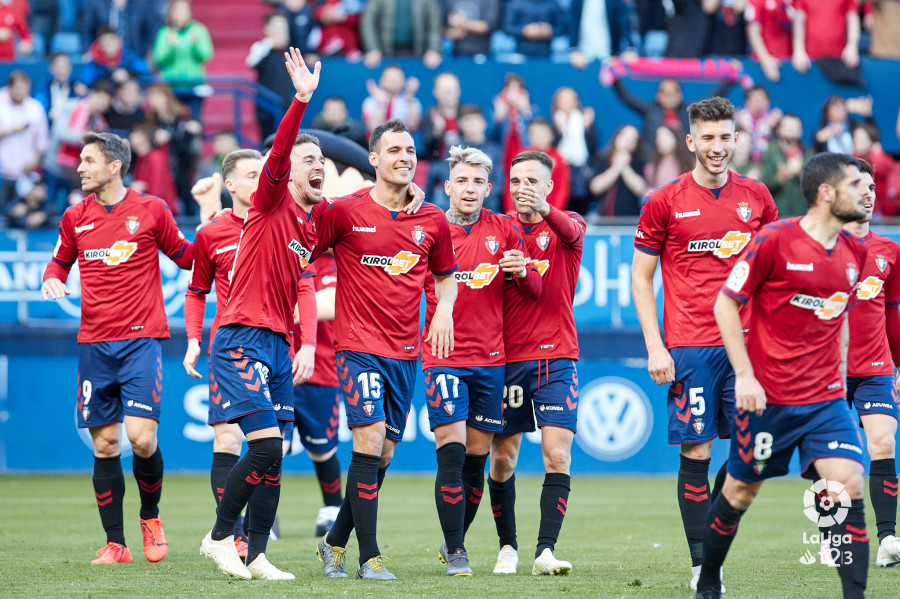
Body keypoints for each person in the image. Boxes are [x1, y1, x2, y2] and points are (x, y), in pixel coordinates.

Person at [697, 152, 871, 599]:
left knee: (848, 483)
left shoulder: (854, 252)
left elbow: (841, 319)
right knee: (739, 493)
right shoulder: (774, 240)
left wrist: (842, 377)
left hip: (825, 400)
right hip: (767, 399)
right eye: (855, 184)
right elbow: (725, 304)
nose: (864, 192)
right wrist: (745, 376)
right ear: (826, 193)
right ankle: (709, 578)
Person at [631, 96, 778, 593]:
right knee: (696, 451)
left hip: (749, 349)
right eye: (708, 139)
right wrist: (655, 345)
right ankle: (703, 566)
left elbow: (772, 275)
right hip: (690, 345)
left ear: (737, 138)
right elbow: (641, 278)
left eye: (725, 137)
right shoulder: (664, 200)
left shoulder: (757, 197)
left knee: (746, 460)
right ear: (691, 142)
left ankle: (711, 549)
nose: (717, 147)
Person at [313, 119, 458, 581]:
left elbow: (445, 277)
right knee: (369, 440)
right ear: (372, 159)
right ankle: (369, 557)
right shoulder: (343, 211)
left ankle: (333, 542)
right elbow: (300, 252)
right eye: (393, 150)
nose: (405, 157)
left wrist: (442, 311)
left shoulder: (431, 218)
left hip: (404, 353)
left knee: (384, 456)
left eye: (410, 150)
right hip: (357, 347)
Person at [40, 131, 194, 564]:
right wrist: (53, 277)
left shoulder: (151, 209)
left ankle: (151, 517)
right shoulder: (75, 216)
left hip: (140, 339)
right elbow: (58, 261)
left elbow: (184, 255)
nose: (80, 167)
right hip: (94, 343)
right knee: (105, 445)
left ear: (114, 166)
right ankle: (116, 543)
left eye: (89, 160)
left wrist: (217, 229)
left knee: (141, 439)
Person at [198, 47, 320, 582]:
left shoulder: (310, 227)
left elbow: (306, 290)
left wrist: (305, 342)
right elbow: (282, 152)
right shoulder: (270, 200)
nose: (318, 168)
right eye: (309, 161)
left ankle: (259, 555)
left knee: (275, 453)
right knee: (264, 443)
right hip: (239, 338)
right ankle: (220, 535)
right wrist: (299, 100)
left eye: (324, 163)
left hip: (278, 345)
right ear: (285, 170)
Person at [426, 146, 541, 576]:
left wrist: (522, 269)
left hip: (492, 360)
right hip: (444, 356)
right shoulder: (432, 228)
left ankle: (452, 540)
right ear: (448, 185)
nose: (470, 189)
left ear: (488, 188)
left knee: (477, 459)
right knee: (452, 454)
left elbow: (534, 292)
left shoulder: (505, 230)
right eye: (462, 180)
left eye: (478, 182)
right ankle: (458, 553)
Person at [488, 150, 586, 576]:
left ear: (548, 186)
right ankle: (507, 546)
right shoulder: (498, 229)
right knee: (503, 459)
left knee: (556, 455)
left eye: (532, 180)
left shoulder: (568, 227)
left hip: (557, 357)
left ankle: (545, 551)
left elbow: (567, 229)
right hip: (508, 361)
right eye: (516, 180)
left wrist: (544, 211)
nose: (523, 187)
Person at [183, 151, 263, 561]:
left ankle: (256, 536)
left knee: (267, 444)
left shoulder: (282, 221)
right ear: (230, 185)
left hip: (272, 346)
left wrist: (303, 343)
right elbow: (196, 291)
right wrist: (193, 339)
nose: (262, 179)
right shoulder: (213, 233)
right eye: (252, 174)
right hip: (229, 346)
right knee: (228, 437)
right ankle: (233, 534)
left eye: (264, 172)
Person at [841, 158, 900, 568]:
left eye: (871, 187)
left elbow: (893, 312)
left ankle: (887, 539)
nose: (867, 193)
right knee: (835, 456)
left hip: (876, 366)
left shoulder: (888, 251)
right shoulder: (813, 246)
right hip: (824, 369)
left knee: (882, 443)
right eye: (857, 186)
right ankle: (834, 535)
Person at [290, 250, 344, 538]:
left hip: (321, 369)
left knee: (322, 449)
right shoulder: (285, 249)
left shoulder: (340, 261)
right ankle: (265, 516)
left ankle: (332, 509)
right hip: (278, 366)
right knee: (269, 447)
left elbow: (330, 304)